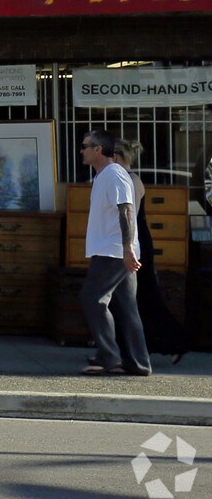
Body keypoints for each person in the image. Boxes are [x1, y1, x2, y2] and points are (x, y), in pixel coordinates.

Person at [78, 130, 152, 377]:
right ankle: (138, 363)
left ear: (98, 149)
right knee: (127, 307)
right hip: (114, 250)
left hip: (114, 251)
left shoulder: (115, 175)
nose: (81, 150)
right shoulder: (103, 176)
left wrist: (128, 248)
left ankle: (109, 356)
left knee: (93, 298)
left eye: (85, 146)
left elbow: (127, 211)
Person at [125, 142, 192, 365]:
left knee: (146, 297)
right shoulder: (125, 178)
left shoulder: (131, 180)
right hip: (135, 241)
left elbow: (129, 216)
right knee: (137, 298)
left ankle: (176, 341)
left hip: (137, 243)